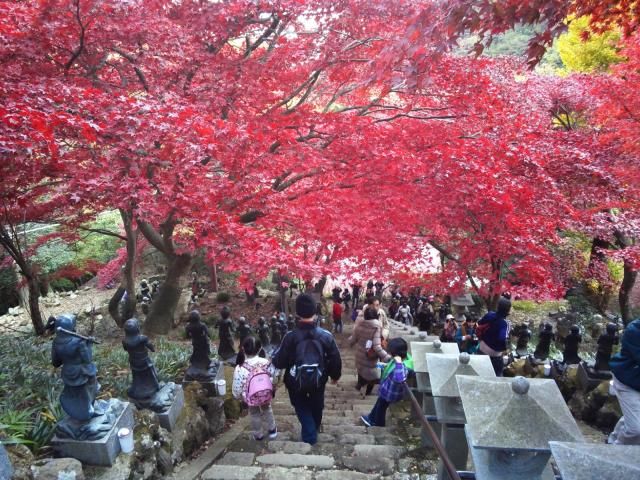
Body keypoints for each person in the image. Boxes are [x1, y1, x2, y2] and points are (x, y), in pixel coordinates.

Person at [272, 294, 342, 445]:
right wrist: (335, 375)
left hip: (295, 380)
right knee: (317, 404)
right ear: (315, 312)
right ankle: (314, 427)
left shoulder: (290, 337)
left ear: (297, 313)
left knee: (300, 404)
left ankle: (310, 434)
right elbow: (335, 357)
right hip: (319, 377)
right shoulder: (326, 336)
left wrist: (274, 358)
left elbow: (280, 361)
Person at [232, 336, 278, 441]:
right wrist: (272, 387)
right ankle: (272, 430)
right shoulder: (265, 362)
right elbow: (274, 375)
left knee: (254, 413)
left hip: (249, 396)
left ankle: (258, 435)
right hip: (265, 393)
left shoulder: (240, 367)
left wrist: (238, 396)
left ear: (243, 348)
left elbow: (237, 386)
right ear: (260, 348)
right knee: (267, 409)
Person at [360, 338, 412, 427]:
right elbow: (390, 367)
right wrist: (380, 365)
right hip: (386, 390)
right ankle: (371, 418)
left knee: (381, 408)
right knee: (378, 405)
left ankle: (378, 424)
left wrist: (399, 363)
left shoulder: (402, 365)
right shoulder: (398, 360)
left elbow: (400, 378)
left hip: (390, 393)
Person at [608, 318, 640, 445]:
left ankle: (611, 441)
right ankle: (619, 453)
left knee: (633, 417)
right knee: (635, 429)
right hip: (627, 382)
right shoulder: (635, 330)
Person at [350, 307, 391, 396]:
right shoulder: (376, 327)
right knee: (374, 377)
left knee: (362, 371)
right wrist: (387, 357)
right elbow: (377, 347)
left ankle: (360, 386)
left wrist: (349, 344)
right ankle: (367, 393)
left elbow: (353, 339)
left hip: (360, 355)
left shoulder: (360, 325)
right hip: (370, 357)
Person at [478, 297, 512, 376]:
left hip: (481, 350)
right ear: (508, 310)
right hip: (493, 357)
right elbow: (502, 339)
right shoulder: (505, 324)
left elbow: (480, 323)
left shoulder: (489, 314)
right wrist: (505, 350)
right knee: (496, 375)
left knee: (479, 373)